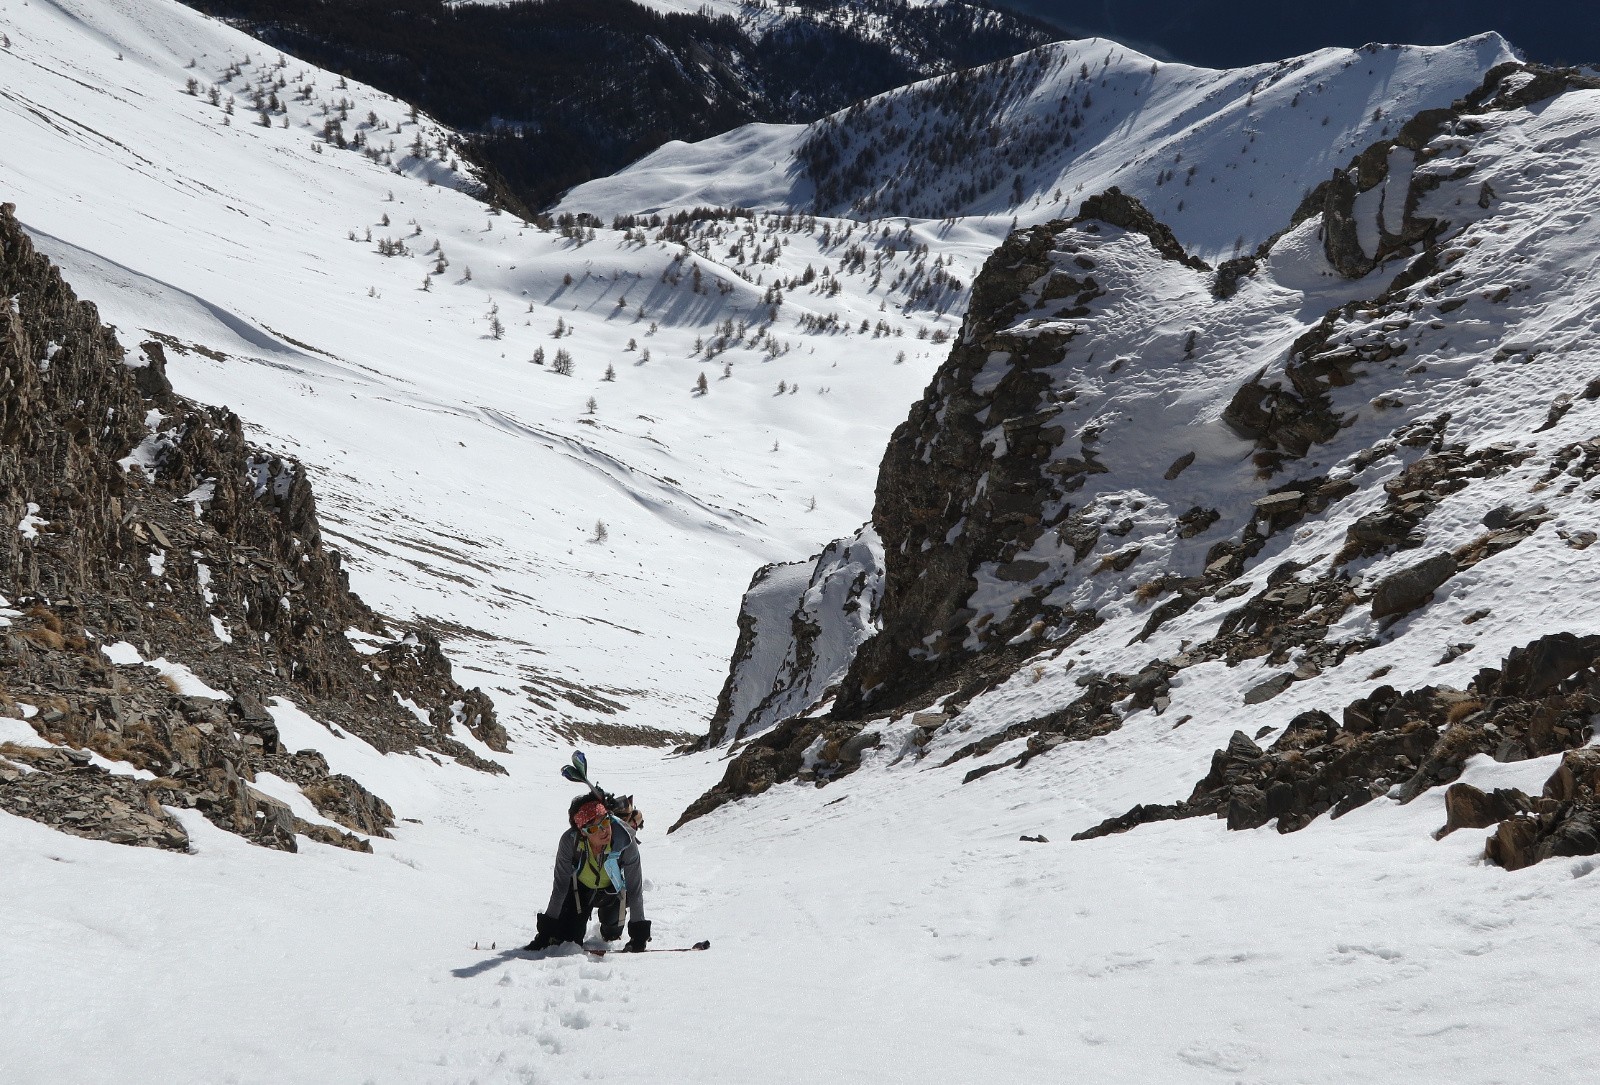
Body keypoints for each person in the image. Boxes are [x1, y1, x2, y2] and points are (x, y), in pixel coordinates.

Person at [526, 794, 651, 952]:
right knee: (568, 941)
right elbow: (560, 887)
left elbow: (634, 889)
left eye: (605, 821)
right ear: (583, 832)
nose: (604, 831)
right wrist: (546, 932)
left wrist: (639, 935)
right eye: (593, 828)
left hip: (612, 892)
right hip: (579, 892)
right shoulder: (569, 842)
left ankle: (610, 927)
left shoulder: (625, 842)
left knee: (612, 933)